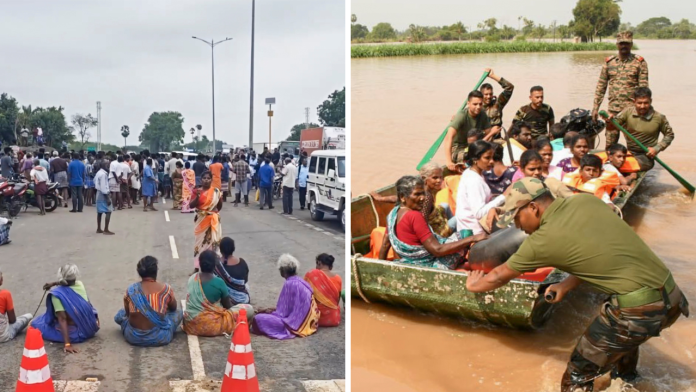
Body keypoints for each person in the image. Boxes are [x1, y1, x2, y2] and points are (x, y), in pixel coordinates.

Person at [465, 178, 689, 392]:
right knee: (625, 339)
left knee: (577, 373)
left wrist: (473, 285)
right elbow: (597, 249)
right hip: (672, 298)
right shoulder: (586, 201)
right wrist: (566, 285)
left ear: (533, 208)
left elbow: (498, 276)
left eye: (516, 217)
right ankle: (629, 381)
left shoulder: (540, 241)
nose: (516, 226)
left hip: (638, 310)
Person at [378, 175, 486, 269]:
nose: (423, 198)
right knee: (465, 234)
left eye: (423, 194)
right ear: (402, 197)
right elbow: (437, 250)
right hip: (426, 266)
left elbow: (385, 244)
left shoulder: (392, 214)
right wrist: (472, 238)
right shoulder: (414, 216)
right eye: (417, 194)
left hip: (405, 262)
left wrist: (380, 268)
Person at [593, 31, 649, 150]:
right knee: (610, 146)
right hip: (613, 113)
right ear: (617, 44)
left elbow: (644, 91)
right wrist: (595, 108)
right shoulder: (609, 63)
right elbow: (601, 87)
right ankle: (610, 166)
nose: (624, 46)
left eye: (627, 44)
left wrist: (644, 112)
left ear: (631, 44)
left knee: (635, 146)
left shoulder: (639, 63)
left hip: (632, 113)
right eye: (621, 43)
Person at [114, 256, 182, 346]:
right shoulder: (166, 289)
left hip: (134, 337)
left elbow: (127, 314)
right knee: (179, 313)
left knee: (120, 315)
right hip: (160, 337)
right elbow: (173, 308)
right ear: (155, 271)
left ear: (139, 272)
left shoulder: (131, 290)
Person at [183, 250, 253, 337]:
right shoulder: (219, 282)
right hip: (212, 326)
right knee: (249, 309)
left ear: (200, 263)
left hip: (191, 325)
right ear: (215, 265)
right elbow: (228, 306)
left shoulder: (193, 278)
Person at [32, 265, 100, 353]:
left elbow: (62, 319)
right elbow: (68, 282)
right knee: (42, 318)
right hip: (91, 328)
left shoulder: (57, 294)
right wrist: (54, 283)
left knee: (34, 324)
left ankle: (66, 338)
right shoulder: (80, 284)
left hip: (78, 334)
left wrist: (67, 344)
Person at [251, 254, 320, 340]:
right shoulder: (300, 281)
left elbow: (283, 313)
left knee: (258, 319)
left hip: (295, 324)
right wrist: (268, 309)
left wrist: (268, 312)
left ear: (283, 271)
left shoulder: (289, 284)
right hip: (309, 322)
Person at [609, 87, 673, 171]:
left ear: (651, 101)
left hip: (646, 157)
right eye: (639, 103)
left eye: (646, 103)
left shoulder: (659, 117)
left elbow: (669, 135)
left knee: (620, 166)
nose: (642, 106)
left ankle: (631, 175)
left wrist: (656, 148)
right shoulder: (627, 112)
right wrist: (609, 121)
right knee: (603, 160)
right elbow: (611, 128)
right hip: (629, 152)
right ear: (634, 101)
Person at [455, 140, 505, 235]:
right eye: (487, 158)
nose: (492, 161)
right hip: (474, 232)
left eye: (492, 158)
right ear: (475, 159)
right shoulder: (474, 180)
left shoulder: (472, 173)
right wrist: (504, 196)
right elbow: (478, 213)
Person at [444, 90, 494, 171]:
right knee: (470, 154)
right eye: (475, 104)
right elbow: (448, 138)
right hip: (459, 148)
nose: (478, 107)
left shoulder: (483, 114)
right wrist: (449, 161)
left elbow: (489, 136)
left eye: (480, 104)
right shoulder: (461, 116)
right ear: (468, 103)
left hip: (473, 145)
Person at [190, 171, 223, 271]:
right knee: (199, 244)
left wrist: (218, 202)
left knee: (214, 243)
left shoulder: (216, 191)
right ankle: (197, 268)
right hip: (201, 220)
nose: (206, 180)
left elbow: (219, 206)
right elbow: (191, 205)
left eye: (208, 178)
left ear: (211, 180)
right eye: (204, 178)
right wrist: (198, 197)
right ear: (201, 180)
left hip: (213, 220)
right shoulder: (197, 191)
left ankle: (215, 267)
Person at [304, 254, 342, 327]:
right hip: (334, 318)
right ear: (330, 267)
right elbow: (337, 301)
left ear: (319, 263)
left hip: (316, 318)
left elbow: (304, 295)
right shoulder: (338, 278)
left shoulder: (312, 274)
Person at [214, 237, 251, 305]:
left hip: (227, 303)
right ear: (233, 248)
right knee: (246, 285)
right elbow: (245, 281)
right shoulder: (242, 262)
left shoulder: (216, 266)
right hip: (244, 300)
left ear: (220, 249)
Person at [0, 268, 33, 342]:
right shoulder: (5, 294)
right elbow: (12, 320)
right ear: (1, 280)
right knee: (29, 316)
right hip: (3, 336)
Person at [94, 158, 114, 235]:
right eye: (107, 164)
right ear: (104, 165)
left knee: (99, 212)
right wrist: (107, 197)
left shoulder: (99, 173)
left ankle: (99, 228)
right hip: (103, 194)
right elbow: (103, 187)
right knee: (108, 211)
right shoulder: (103, 175)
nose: (108, 165)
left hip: (98, 193)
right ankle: (106, 229)